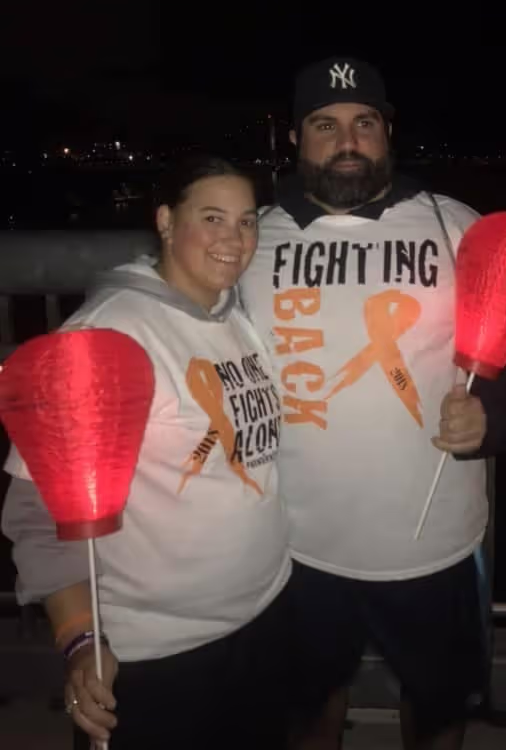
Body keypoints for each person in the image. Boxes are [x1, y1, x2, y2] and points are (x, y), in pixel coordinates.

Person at [239, 57, 506, 749]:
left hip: (433, 545)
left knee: (439, 711)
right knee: (307, 708)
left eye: (363, 123)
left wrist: (494, 417)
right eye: (325, 125)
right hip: (294, 547)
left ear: (388, 132)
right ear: (295, 138)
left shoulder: (454, 225)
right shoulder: (252, 239)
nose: (346, 141)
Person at [2, 157, 292, 749]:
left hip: (263, 619)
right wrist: (82, 641)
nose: (233, 240)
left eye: (245, 222)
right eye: (211, 218)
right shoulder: (109, 338)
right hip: (159, 652)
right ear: (165, 220)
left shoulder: (234, 313)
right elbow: (37, 515)